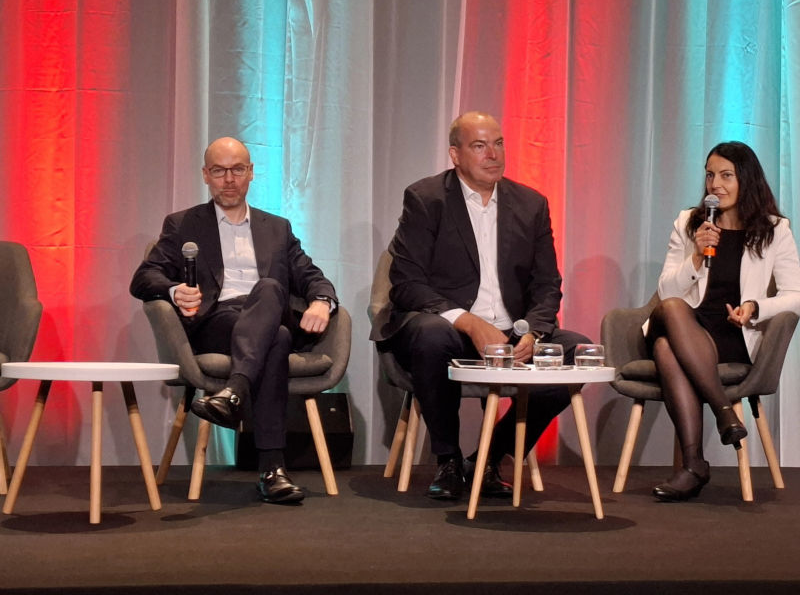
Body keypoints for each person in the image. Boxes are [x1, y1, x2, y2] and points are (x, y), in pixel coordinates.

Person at [381, 111, 588, 500]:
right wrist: (470, 323)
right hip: (451, 330)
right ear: (455, 155)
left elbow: (547, 285)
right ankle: (448, 460)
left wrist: (535, 330)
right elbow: (406, 284)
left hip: (512, 332)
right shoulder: (426, 199)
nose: (493, 154)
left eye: (498, 143)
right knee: (430, 335)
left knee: (577, 349)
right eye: (479, 146)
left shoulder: (531, 204)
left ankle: (489, 458)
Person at [130, 137, 339, 504]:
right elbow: (144, 278)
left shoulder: (277, 227)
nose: (229, 179)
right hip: (216, 322)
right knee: (276, 333)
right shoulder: (183, 224)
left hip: (265, 314)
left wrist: (323, 301)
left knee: (272, 307)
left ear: (251, 173)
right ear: (206, 175)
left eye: (237, 169)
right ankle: (272, 469)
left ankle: (233, 394)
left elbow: (311, 276)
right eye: (219, 171)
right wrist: (175, 289)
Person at [646, 141, 800, 502]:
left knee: (664, 349)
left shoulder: (775, 229)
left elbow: (796, 297)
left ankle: (693, 466)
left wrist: (755, 306)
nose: (715, 184)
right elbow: (667, 289)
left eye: (726, 175)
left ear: (746, 180)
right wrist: (697, 257)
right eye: (710, 175)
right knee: (672, 309)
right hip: (683, 319)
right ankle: (724, 413)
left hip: (731, 333)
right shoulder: (689, 222)